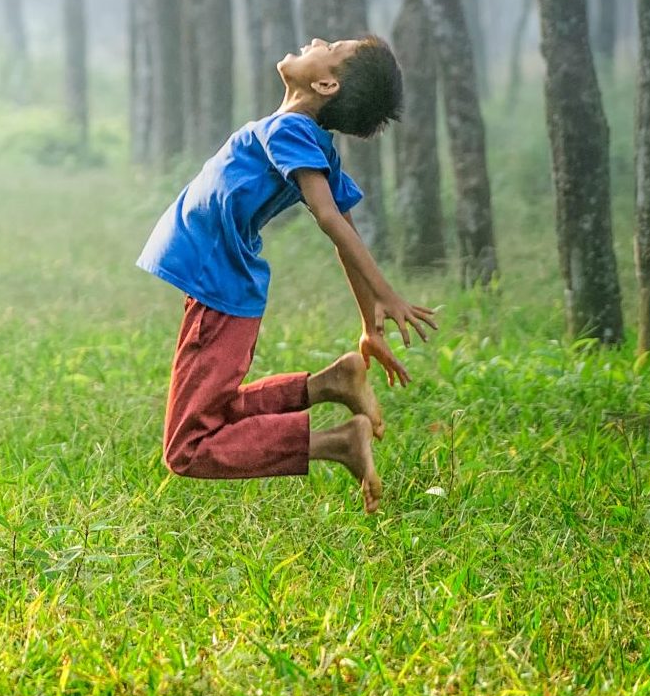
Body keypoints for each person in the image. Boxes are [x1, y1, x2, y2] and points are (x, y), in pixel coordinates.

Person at [136, 37, 437, 512]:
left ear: (325, 82)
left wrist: (386, 295)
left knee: (188, 447)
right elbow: (345, 228)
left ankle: (337, 444)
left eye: (332, 46)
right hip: (220, 286)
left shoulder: (293, 131)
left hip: (219, 289)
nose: (317, 40)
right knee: (214, 413)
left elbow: (332, 218)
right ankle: (330, 384)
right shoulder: (302, 135)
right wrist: (368, 324)